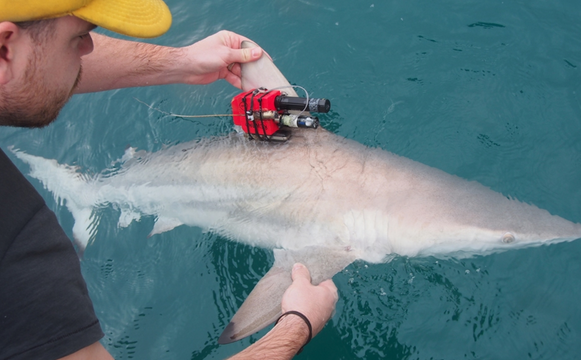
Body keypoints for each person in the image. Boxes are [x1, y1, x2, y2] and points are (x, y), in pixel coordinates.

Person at [0, 1, 338, 359]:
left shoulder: (17, 52)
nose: (87, 50)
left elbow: (37, 59)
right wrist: (297, 324)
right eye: (79, 37)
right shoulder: (16, 237)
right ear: (5, 46)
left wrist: (182, 62)